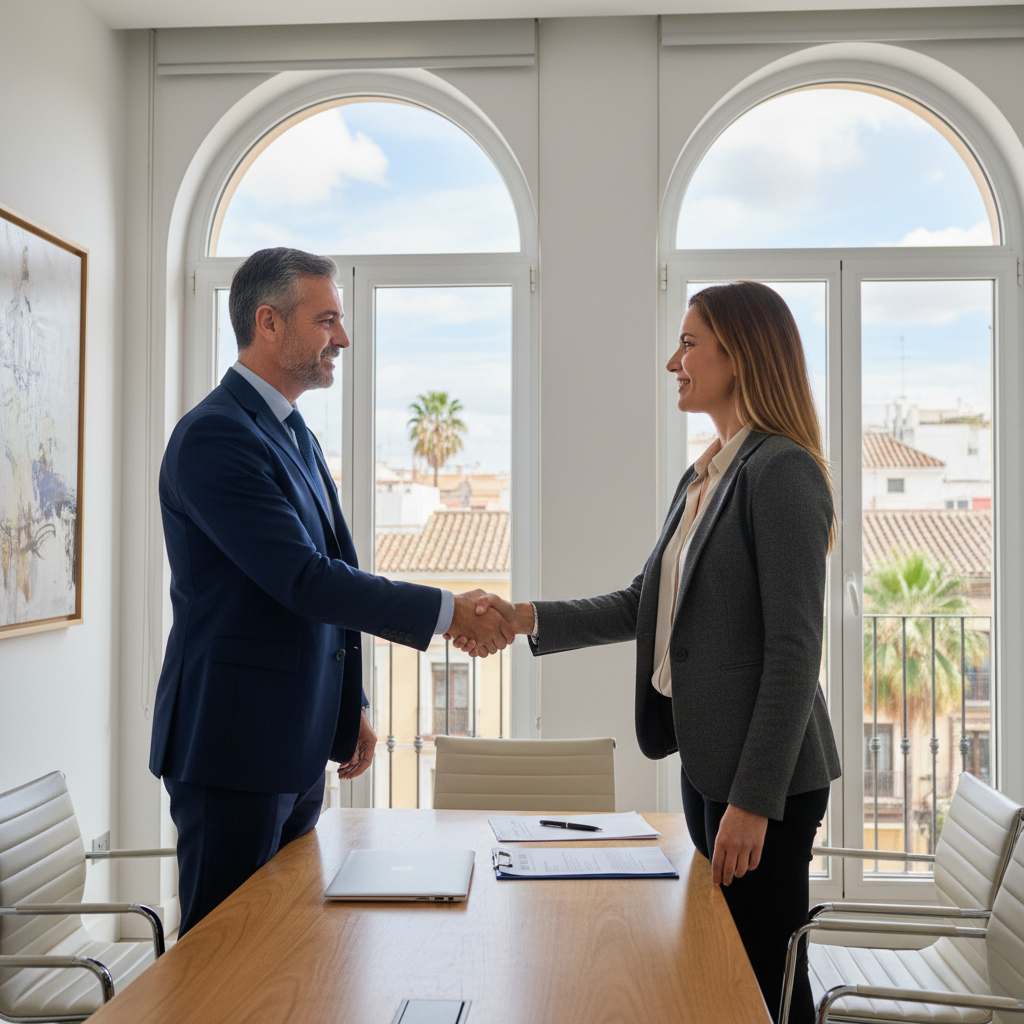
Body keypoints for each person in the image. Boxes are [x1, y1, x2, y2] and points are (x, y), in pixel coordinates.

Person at [454, 281, 841, 1024]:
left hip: (767, 783)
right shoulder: (708, 473)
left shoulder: (781, 471)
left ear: (741, 355)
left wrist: (754, 802)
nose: (674, 360)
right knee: (725, 960)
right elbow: (643, 604)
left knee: (761, 974)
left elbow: (796, 651)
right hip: (709, 761)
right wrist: (523, 616)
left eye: (690, 343)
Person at [150, 247, 513, 936]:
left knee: (288, 945)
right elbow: (304, 581)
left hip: (295, 743)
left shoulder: (295, 435)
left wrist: (349, 708)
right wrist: (449, 612)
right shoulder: (214, 438)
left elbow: (331, 564)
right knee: (224, 961)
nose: (342, 338)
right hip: (232, 746)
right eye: (327, 320)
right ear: (268, 323)